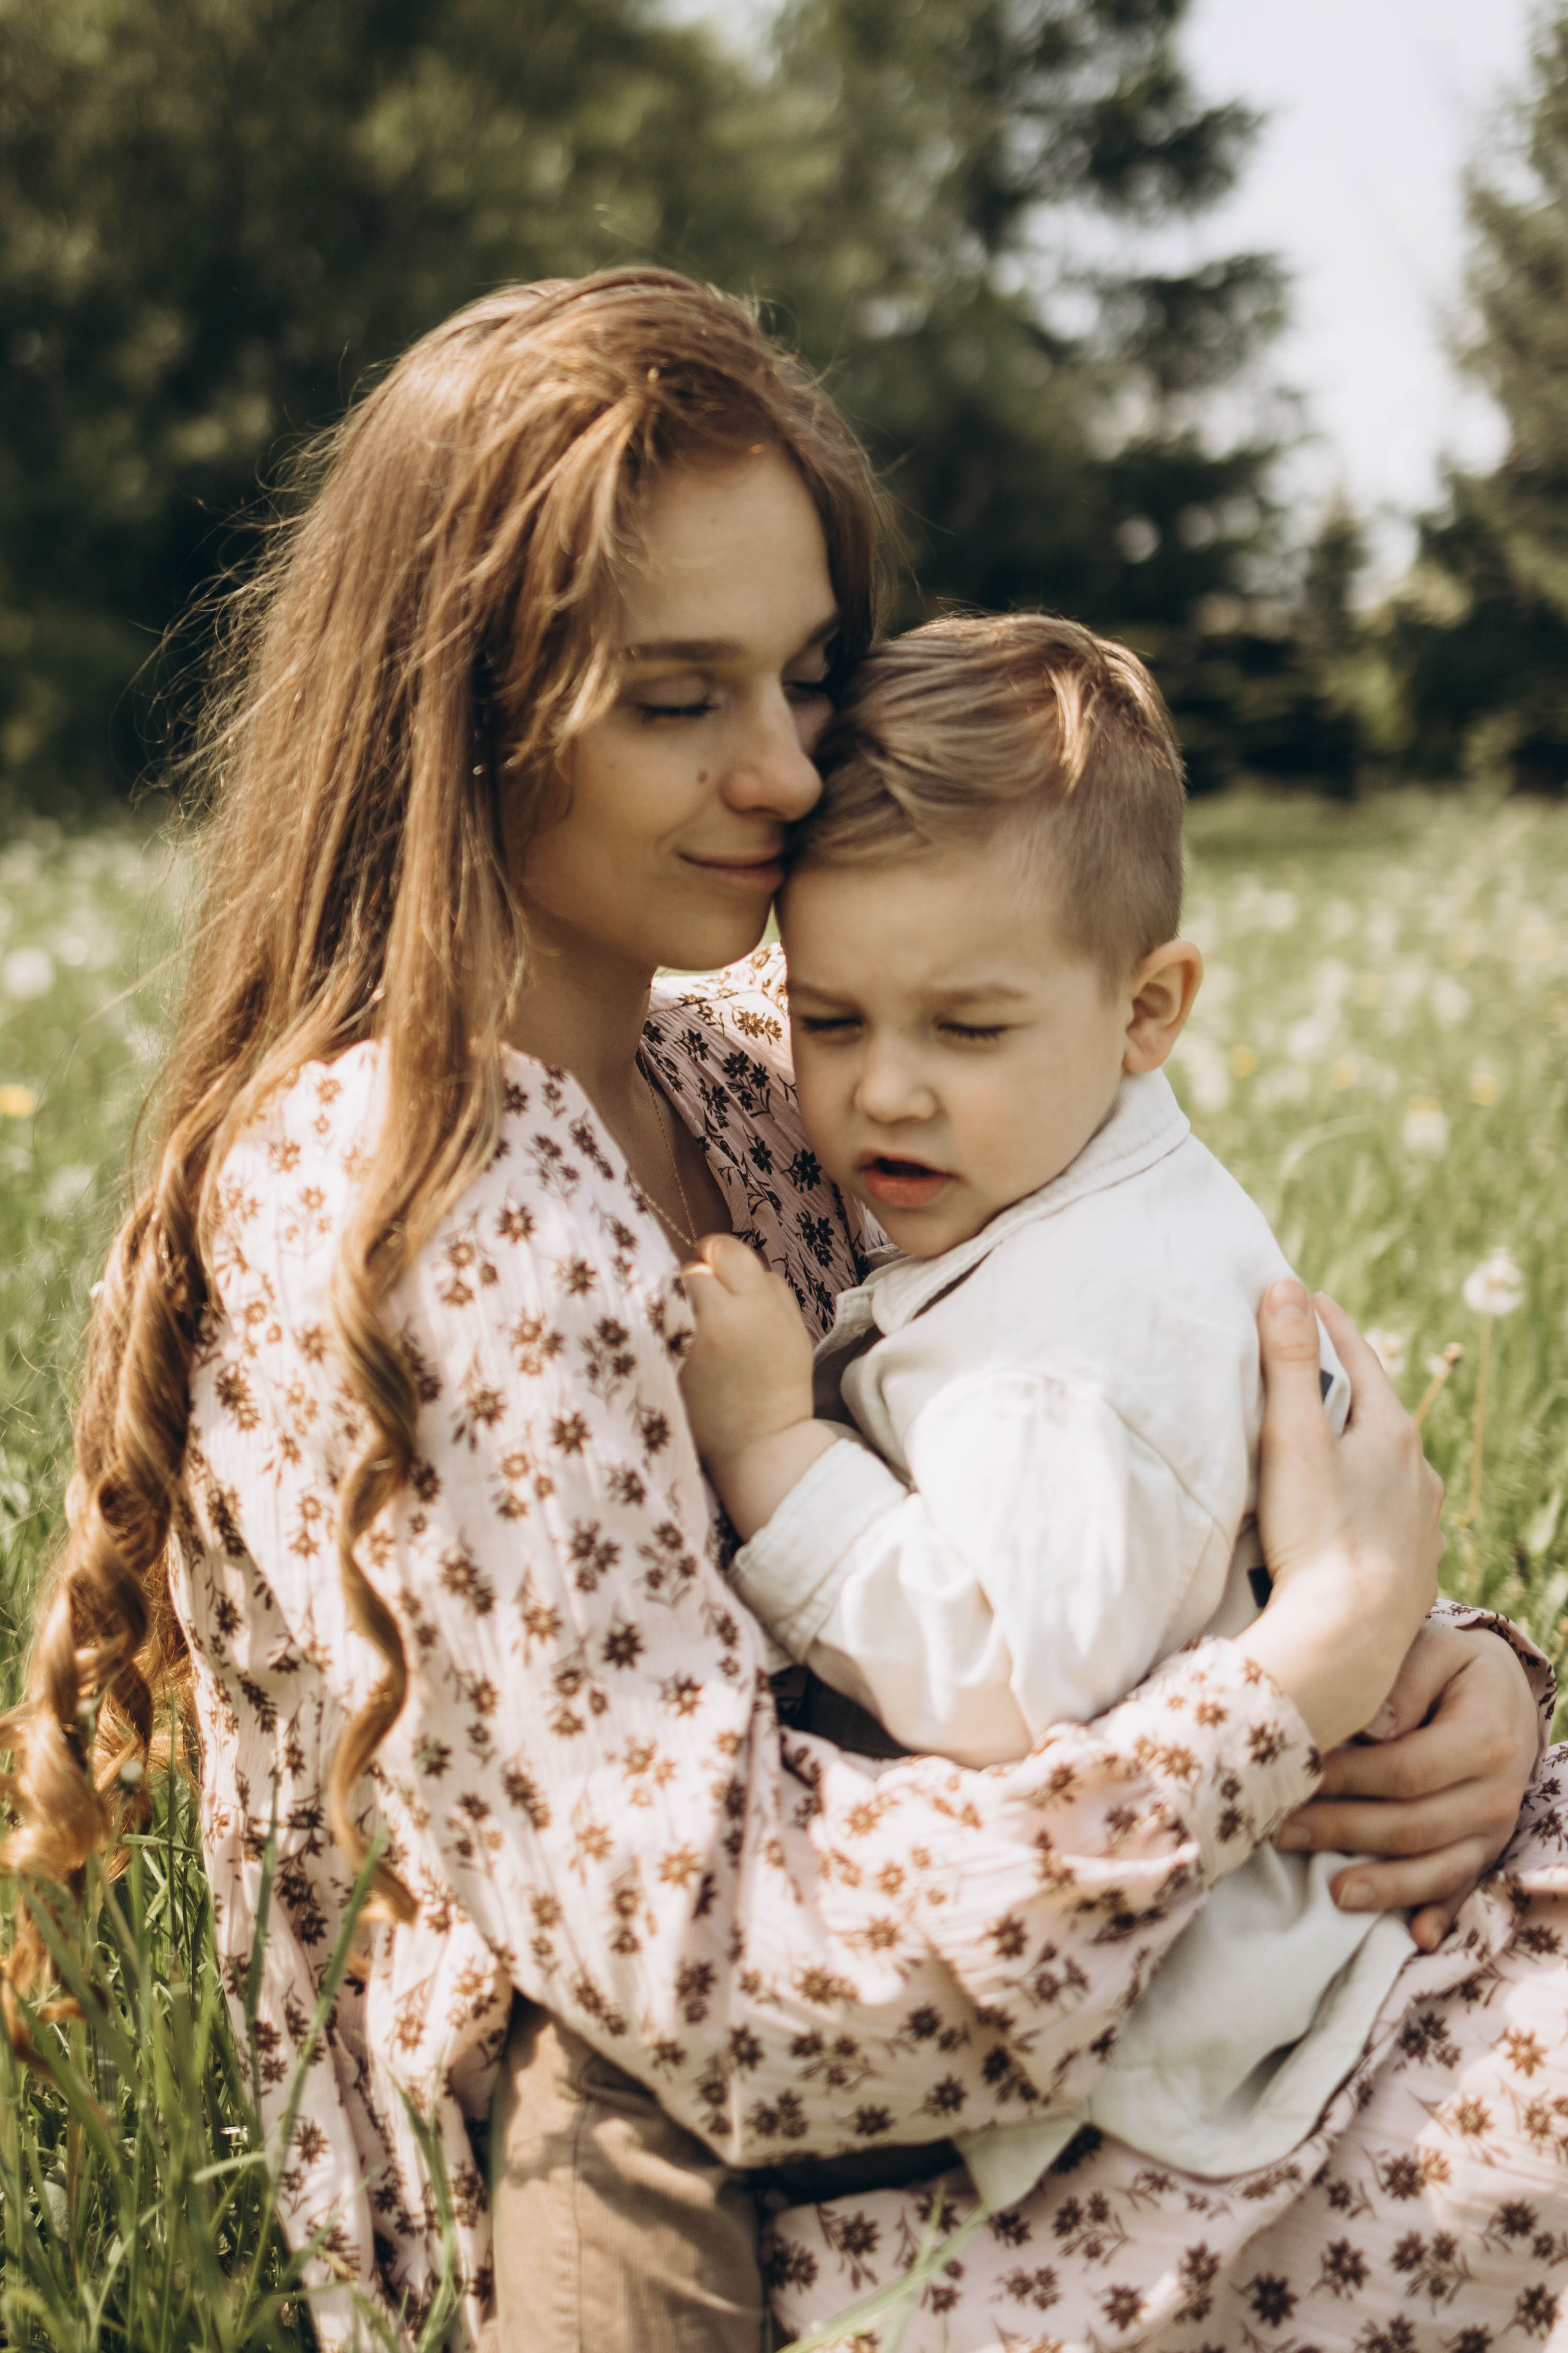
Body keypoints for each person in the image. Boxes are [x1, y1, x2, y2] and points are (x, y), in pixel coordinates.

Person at [0, 269, 1545, 2353]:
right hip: (743, 2146)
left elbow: (1114, 1429)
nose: (788, 770)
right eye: (676, 700)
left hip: (1061, 1972)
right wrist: (1300, 1682)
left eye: (808, 679)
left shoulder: (763, 1059)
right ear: (457, 716)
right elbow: (714, 1971)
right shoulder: (420, 1208)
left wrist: (1444, 1684)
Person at [679, 610, 1421, 2217]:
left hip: (1179, 2017)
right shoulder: (1066, 1177)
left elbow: (1007, 1679)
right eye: (831, 1019)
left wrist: (774, 1454)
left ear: (1148, 1009)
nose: (885, 1089)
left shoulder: (1069, 1365)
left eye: (968, 1028)